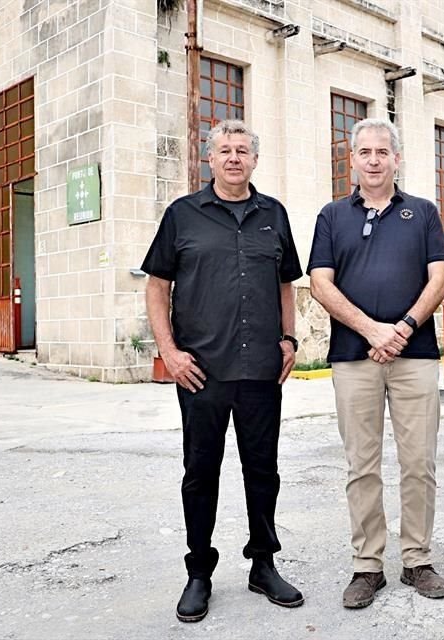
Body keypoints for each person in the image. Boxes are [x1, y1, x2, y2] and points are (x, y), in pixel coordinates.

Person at [142, 120, 304, 622]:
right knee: (200, 473)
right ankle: (199, 572)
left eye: (243, 151)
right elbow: (156, 287)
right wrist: (169, 352)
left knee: (263, 472)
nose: (234, 158)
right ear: (208, 159)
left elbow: (285, 285)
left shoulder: (272, 214)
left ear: (255, 160)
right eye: (224, 151)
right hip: (201, 372)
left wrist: (289, 338)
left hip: (260, 369)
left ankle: (263, 564)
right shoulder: (182, 215)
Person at [307, 118, 444, 609]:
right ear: (352, 160)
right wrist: (372, 330)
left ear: (396, 158)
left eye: (382, 152)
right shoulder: (332, 216)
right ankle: (368, 567)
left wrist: (403, 329)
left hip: (413, 357)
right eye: (364, 152)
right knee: (361, 466)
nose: (373, 160)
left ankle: (417, 560)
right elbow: (321, 284)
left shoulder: (424, 212)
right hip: (354, 357)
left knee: (418, 463)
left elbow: (439, 279)